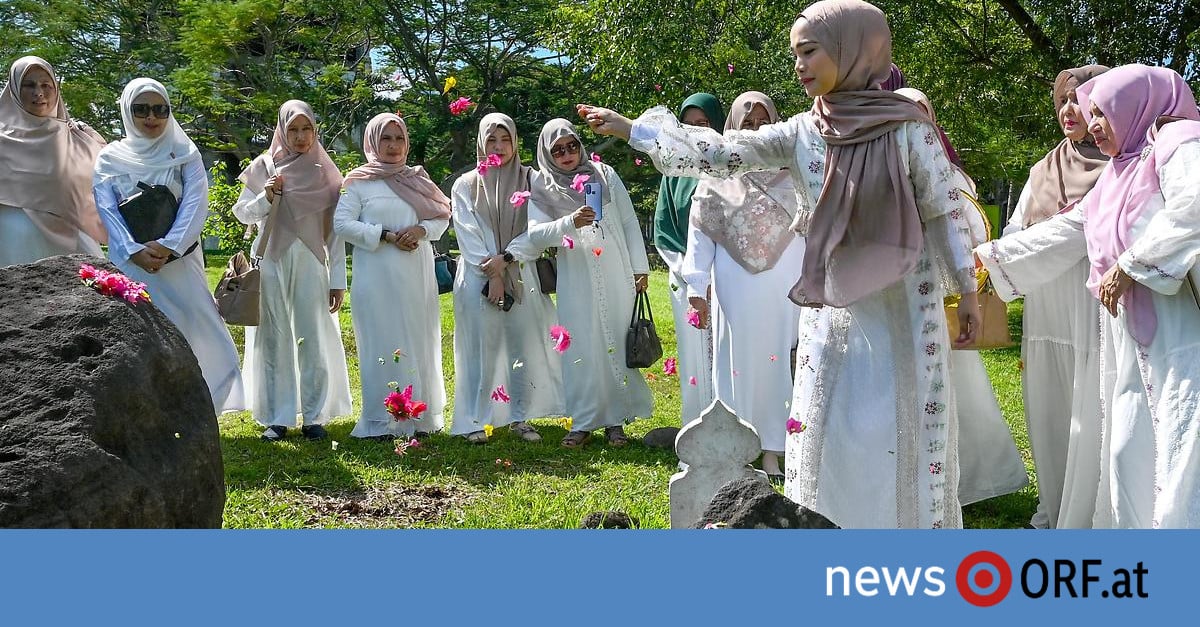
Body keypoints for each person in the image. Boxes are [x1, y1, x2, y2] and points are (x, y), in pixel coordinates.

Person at [579, 0, 981, 528]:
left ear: (851, 48)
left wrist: (968, 291)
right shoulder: (803, 131)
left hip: (906, 306)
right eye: (795, 53)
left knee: (900, 425)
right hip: (835, 310)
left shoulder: (907, 127)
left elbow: (942, 210)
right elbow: (725, 153)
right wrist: (636, 130)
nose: (799, 65)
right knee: (832, 424)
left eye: (810, 51)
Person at [977, 64, 1200, 528]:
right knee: (1127, 448)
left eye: (1102, 111)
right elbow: (1069, 228)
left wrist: (1132, 265)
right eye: (1089, 111)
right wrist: (990, 256)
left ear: (1134, 106)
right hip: (1128, 341)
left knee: (1179, 445)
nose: (1092, 122)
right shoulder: (1121, 171)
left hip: (1178, 338)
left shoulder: (1179, 144)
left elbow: (1193, 208)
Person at [895, 87, 1029, 507]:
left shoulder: (951, 173)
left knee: (952, 383)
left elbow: (969, 229)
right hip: (893, 288)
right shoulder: (882, 165)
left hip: (938, 287)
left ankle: (962, 475)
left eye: (921, 114)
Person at [994, 65, 1110, 528]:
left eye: (1079, 100)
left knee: (1090, 402)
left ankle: (1088, 509)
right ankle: (1055, 503)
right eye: (1062, 100)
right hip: (1045, 309)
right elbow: (1015, 227)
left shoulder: (1121, 163)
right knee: (1049, 403)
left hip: (1089, 305)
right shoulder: (1043, 167)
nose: (1068, 109)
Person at [93, 78, 245, 414]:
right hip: (133, 263)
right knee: (142, 331)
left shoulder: (185, 153)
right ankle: (148, 406)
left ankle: (198, 405)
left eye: (160, 109)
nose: (151, 117)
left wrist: (168, 246)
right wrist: (132, 249)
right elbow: (106, 208)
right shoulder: (109, 158)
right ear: (127, 110)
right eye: (141, 109)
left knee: (194, 324)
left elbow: (195, 203)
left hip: (178, 260)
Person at [680, 91, 804, 479]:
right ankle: (738, 448)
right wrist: (696, 288)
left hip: (787, 286)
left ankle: (775, 449)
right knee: (736, 366)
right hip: (736, 289)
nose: (754, 132)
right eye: (747, 125)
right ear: (732, 128)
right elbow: (699, 236)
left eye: (764, 124)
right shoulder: (715, 177)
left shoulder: (794, 174)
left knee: (784, 365)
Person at [520, 118, 653, 448]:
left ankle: (615, 420)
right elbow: (535, 235)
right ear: (548, 154)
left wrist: (640, 268)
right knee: (580, 343)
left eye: (572, 146)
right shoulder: (543, 186)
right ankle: (582, 421)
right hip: (575, 273)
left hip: (615, 268)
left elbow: (627, 220)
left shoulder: (604, 174)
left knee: (615, 336)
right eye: (558, 150)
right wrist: (569, 221)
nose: (566, 154)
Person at [233, 100, 352, 441]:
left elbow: (336, 232)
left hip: (312, 260)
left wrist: (337, 280)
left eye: (306, 129)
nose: (300, 137)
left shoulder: (324, 170)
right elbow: (242, 214)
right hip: (270, 258)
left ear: (315, 130)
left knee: (312, 335)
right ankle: (278, 416)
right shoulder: (264, 165)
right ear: (282, 131)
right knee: (274, 336)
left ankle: (313, 416)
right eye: (293, 130)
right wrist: (266, 197)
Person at [334, 113, 451, 440]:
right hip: (376, 275)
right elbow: (341, 224)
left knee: (417, 338)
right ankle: (380, 420)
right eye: (386, 138)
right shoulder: (356, 182)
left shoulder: (418, 179)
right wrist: (384, 234)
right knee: (381, 341)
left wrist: (421, 229)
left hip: (415, 274)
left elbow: (442, 217)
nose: (393, 145)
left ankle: (418, 417)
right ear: (372, 142)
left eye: (398, 138)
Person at [449, 112, 564, 444]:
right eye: (491, 140)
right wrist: (492, 272)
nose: (498, 147)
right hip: (476, 276)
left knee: (522, 345)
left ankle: (520, 416)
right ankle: (474, 418)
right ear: (481, 144)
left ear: (515, 142)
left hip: (521, 272)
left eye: (505, 139)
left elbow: (537, 230)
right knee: (478, 348)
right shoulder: (466, 184)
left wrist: (506, 261)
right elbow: (468, 235)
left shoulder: (533, 180)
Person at [656, 93, 723, 427]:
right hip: (686, 278)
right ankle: (697, 425)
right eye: (690, 125)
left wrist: (714, 273)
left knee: (725, 352)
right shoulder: (674, 171)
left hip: (727, 277)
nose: (697, 131)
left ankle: (734, 423)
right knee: (695, 352)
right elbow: (664, 229)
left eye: (704, 124)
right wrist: (690, 273)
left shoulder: (729, 166)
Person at [0, 56, 107, 266]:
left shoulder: (78, 138)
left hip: (73, 244)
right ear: (13, 89)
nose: (38, 93)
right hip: (11, 245)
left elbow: (105, 190)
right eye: (28, 85)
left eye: (45, 85)